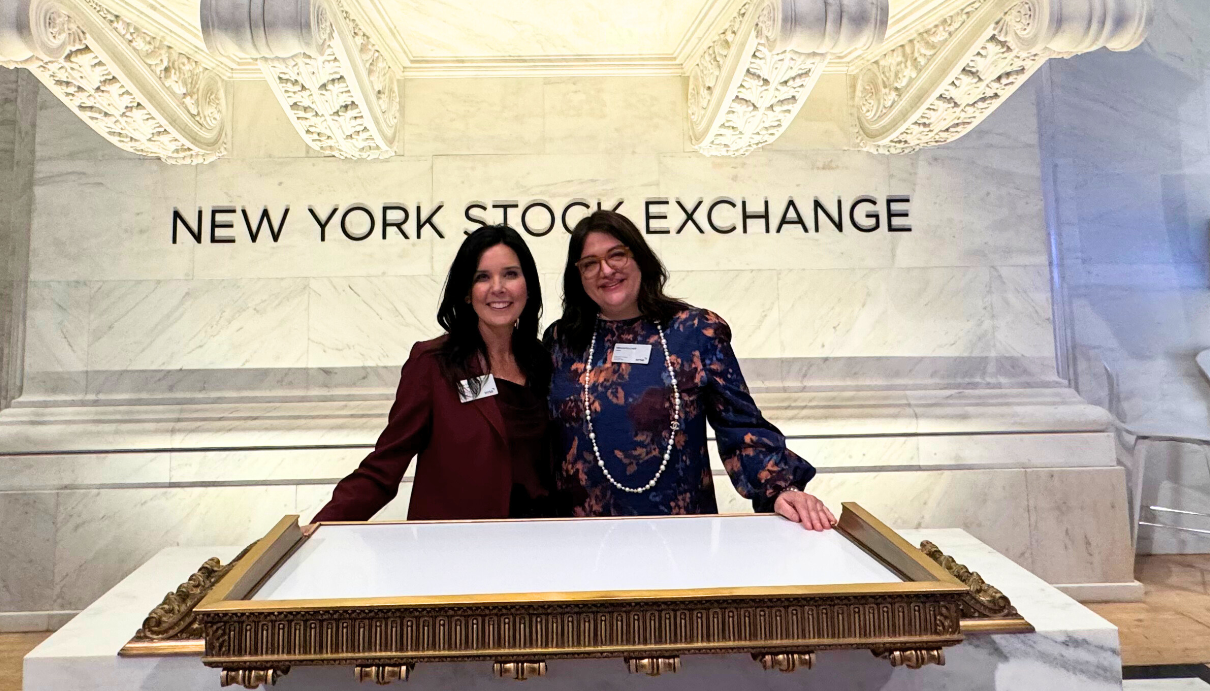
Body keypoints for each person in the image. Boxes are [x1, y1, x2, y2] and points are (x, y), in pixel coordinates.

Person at [547, 209, 834, 530]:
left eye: (617, 255)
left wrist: (781, 488)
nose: (606, 270)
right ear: (579, 276)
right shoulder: (562, 340)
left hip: (678, 533)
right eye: (590, 263)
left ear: (640, 257)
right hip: (577, 535)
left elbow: (740, 427)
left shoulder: (695, 331)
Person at [314, 224, 566, 522]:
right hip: (456, 552)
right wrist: (318, 527)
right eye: (482, 277)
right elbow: (384, 466)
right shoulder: (433, 363)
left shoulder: (545, 361)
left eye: (510, 274)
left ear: (528, 286)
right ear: (466, 294)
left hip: (541, 547)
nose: (498, 287)